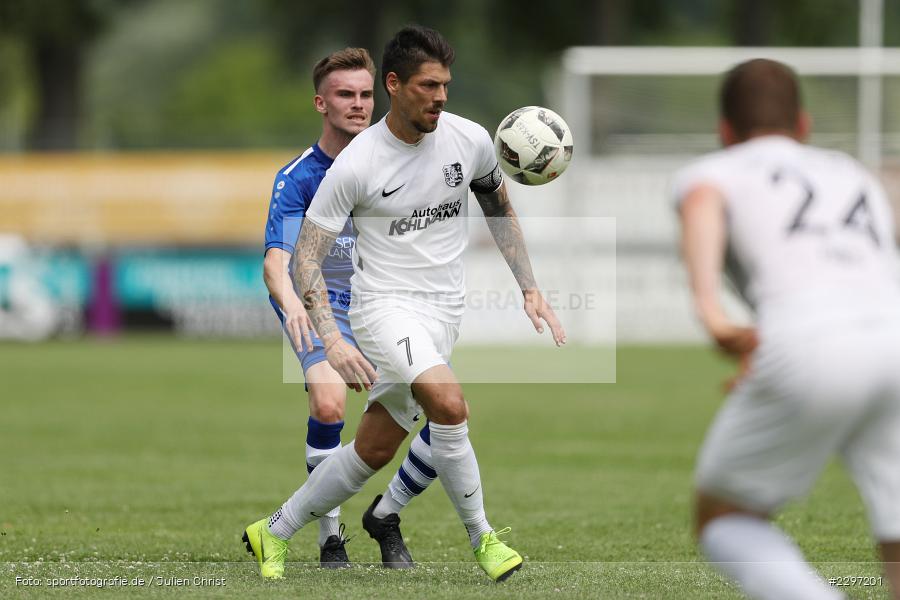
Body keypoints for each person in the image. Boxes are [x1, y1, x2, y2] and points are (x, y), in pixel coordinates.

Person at [247, 25, 566, 582]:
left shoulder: (468, 140)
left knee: (371, 449)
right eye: (428, 85)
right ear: (394, 85)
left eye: (445, 85)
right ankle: (484, 540)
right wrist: (335, 340)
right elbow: (305, 260)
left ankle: (272, 531)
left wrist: (529, 285)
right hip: (383, 308)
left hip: (443, 312)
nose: (441, 96)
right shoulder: (358, 164)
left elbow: (498, 207)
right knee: (449, 404)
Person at [673, 58, 900, 600]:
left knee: (724, 516)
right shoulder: (851, 171)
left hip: (809, 342)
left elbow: (703, 202)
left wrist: (712, 313)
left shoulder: (714, 172)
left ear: (725, 131)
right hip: (893, 338)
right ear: (804, 124)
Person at [244, 47, 436, 574]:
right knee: (330, 404)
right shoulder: (300, 177)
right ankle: (331, 539)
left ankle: (387, 513)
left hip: (382, 302)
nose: (358, 104)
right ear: (320, 104)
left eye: (366, 94)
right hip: (317, 302)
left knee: (443, 411)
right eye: (345, 95)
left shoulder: (401, 159)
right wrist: (293, 305)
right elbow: (276, 263)